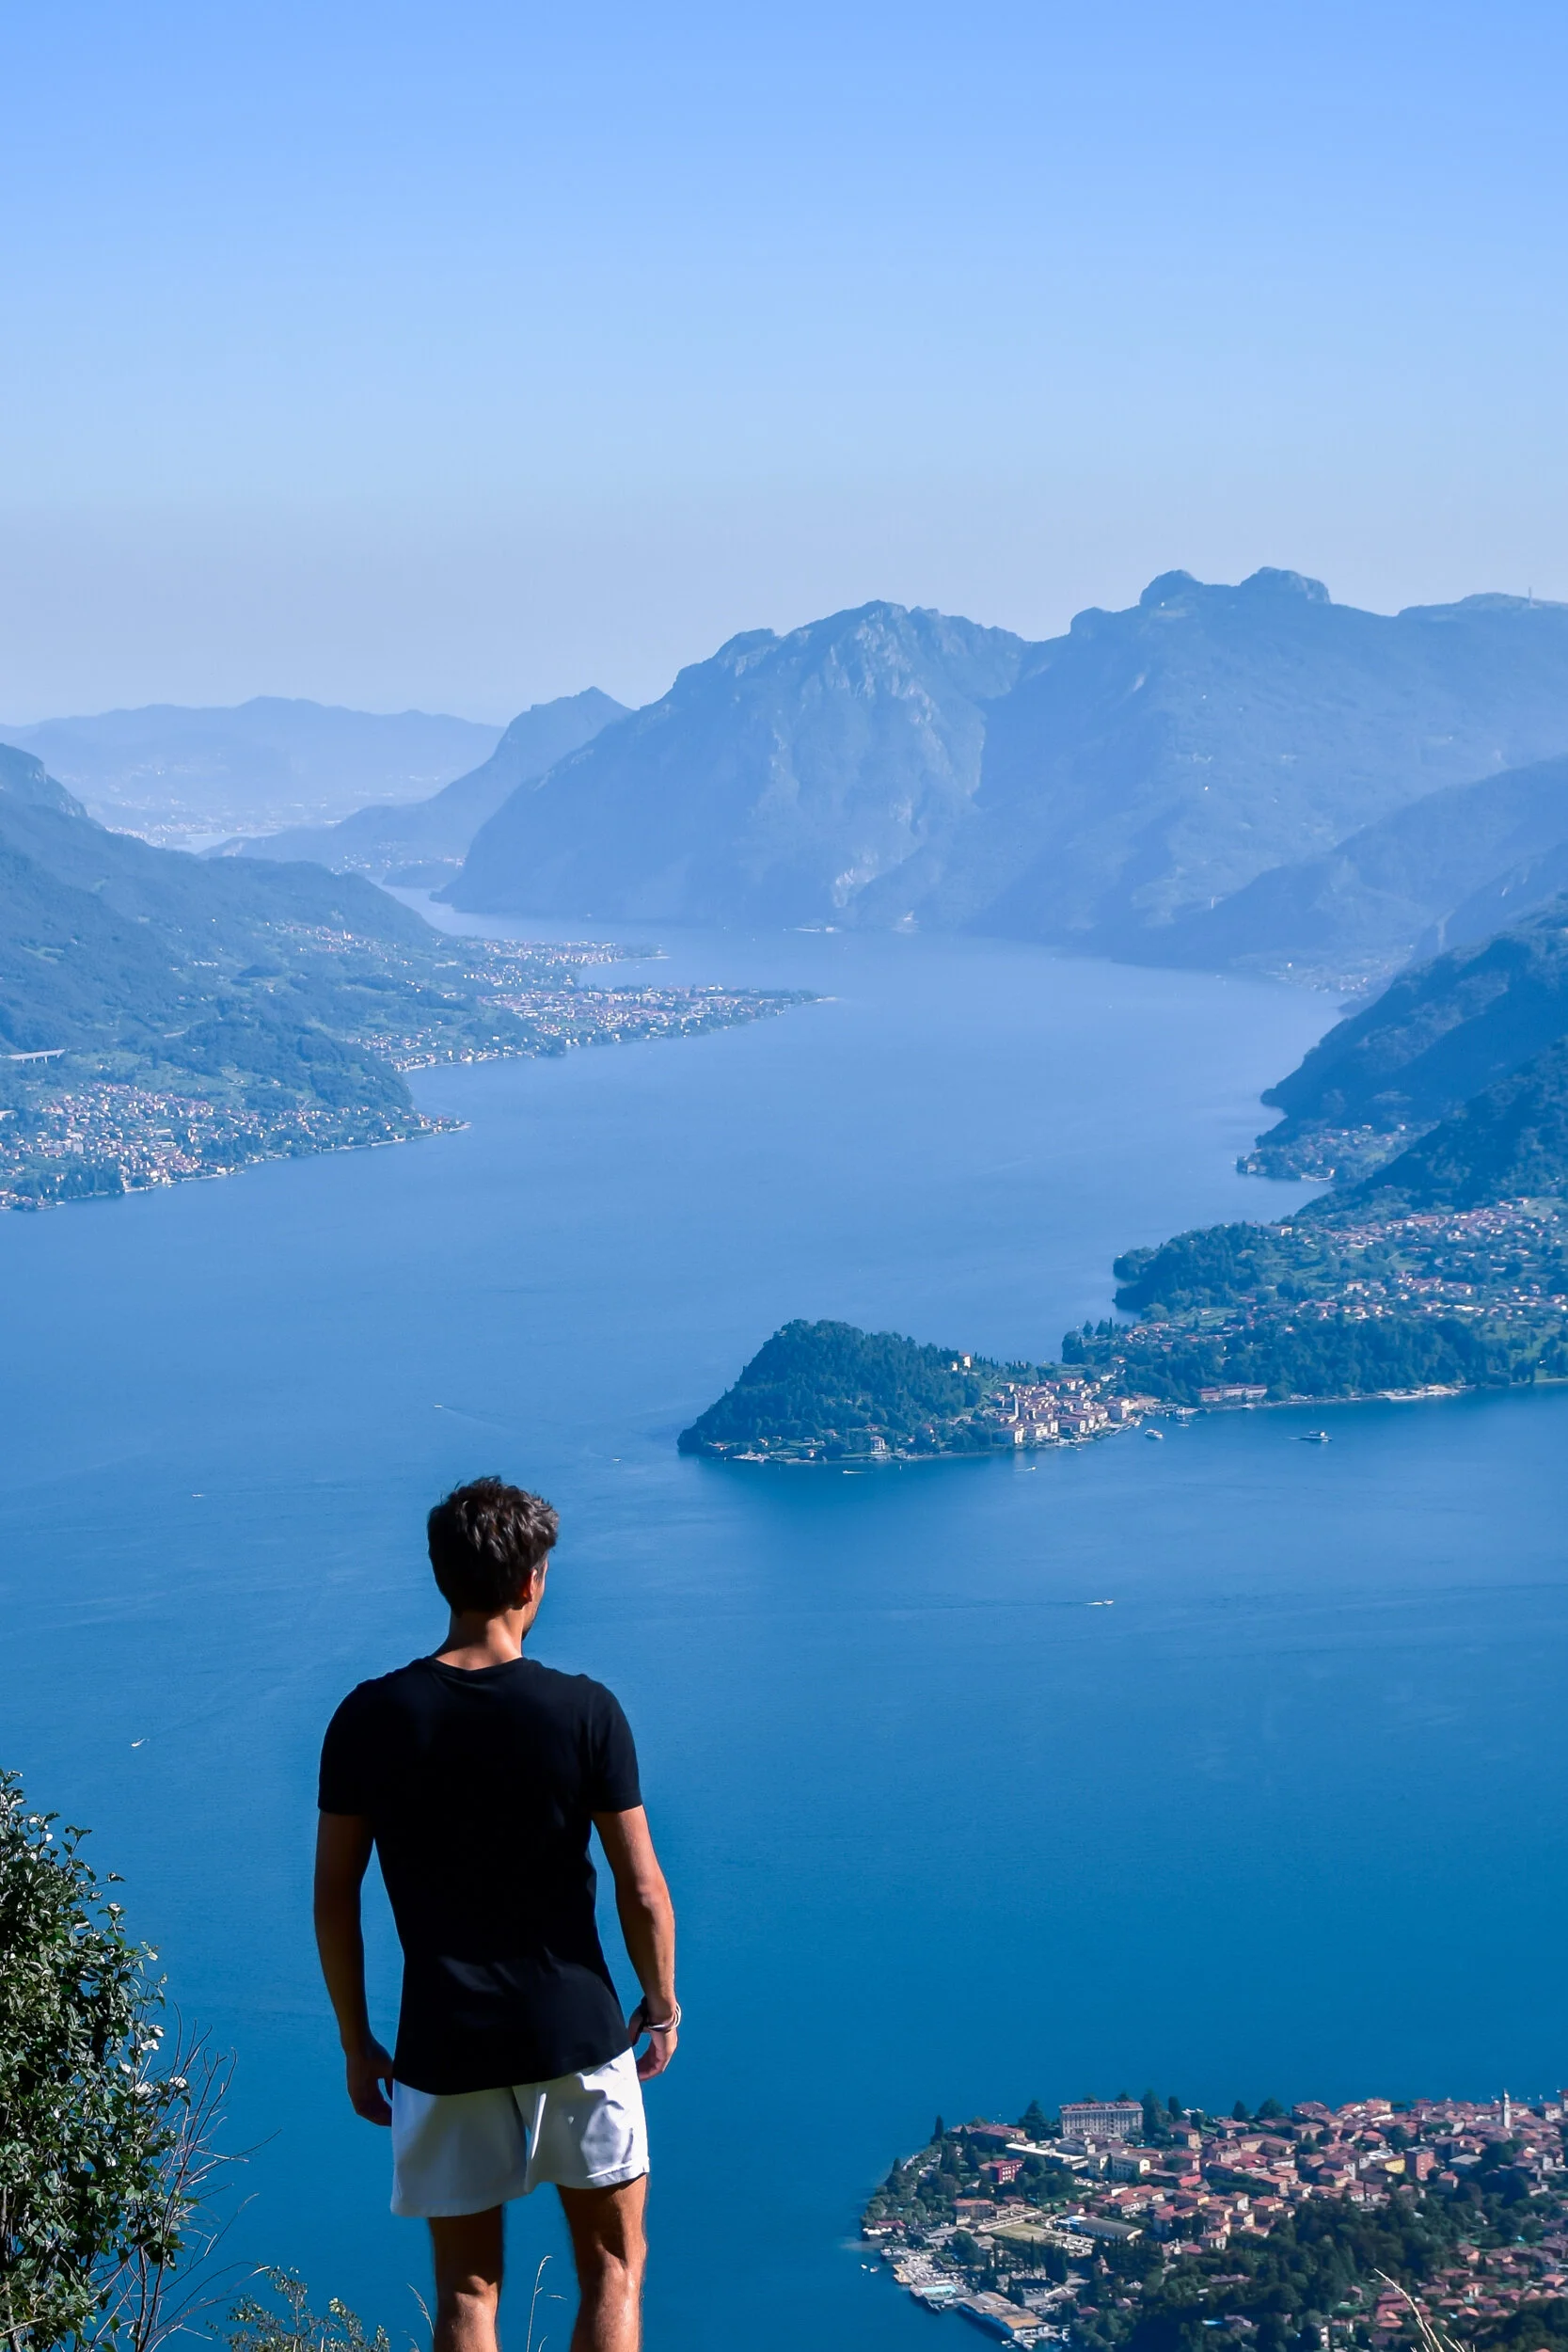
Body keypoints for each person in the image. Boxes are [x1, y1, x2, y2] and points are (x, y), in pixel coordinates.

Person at [314, 1478, 677, 2352]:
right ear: (532, 1582)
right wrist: (659, 2005)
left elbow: (335, 1897)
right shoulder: (585, 1711)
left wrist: (357, 2043)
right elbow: (642, 1890)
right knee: (611, 2268)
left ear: (441, 1576)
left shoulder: (368, 1717)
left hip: (445, 2040)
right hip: (577, 2031)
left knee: (467, 2293)